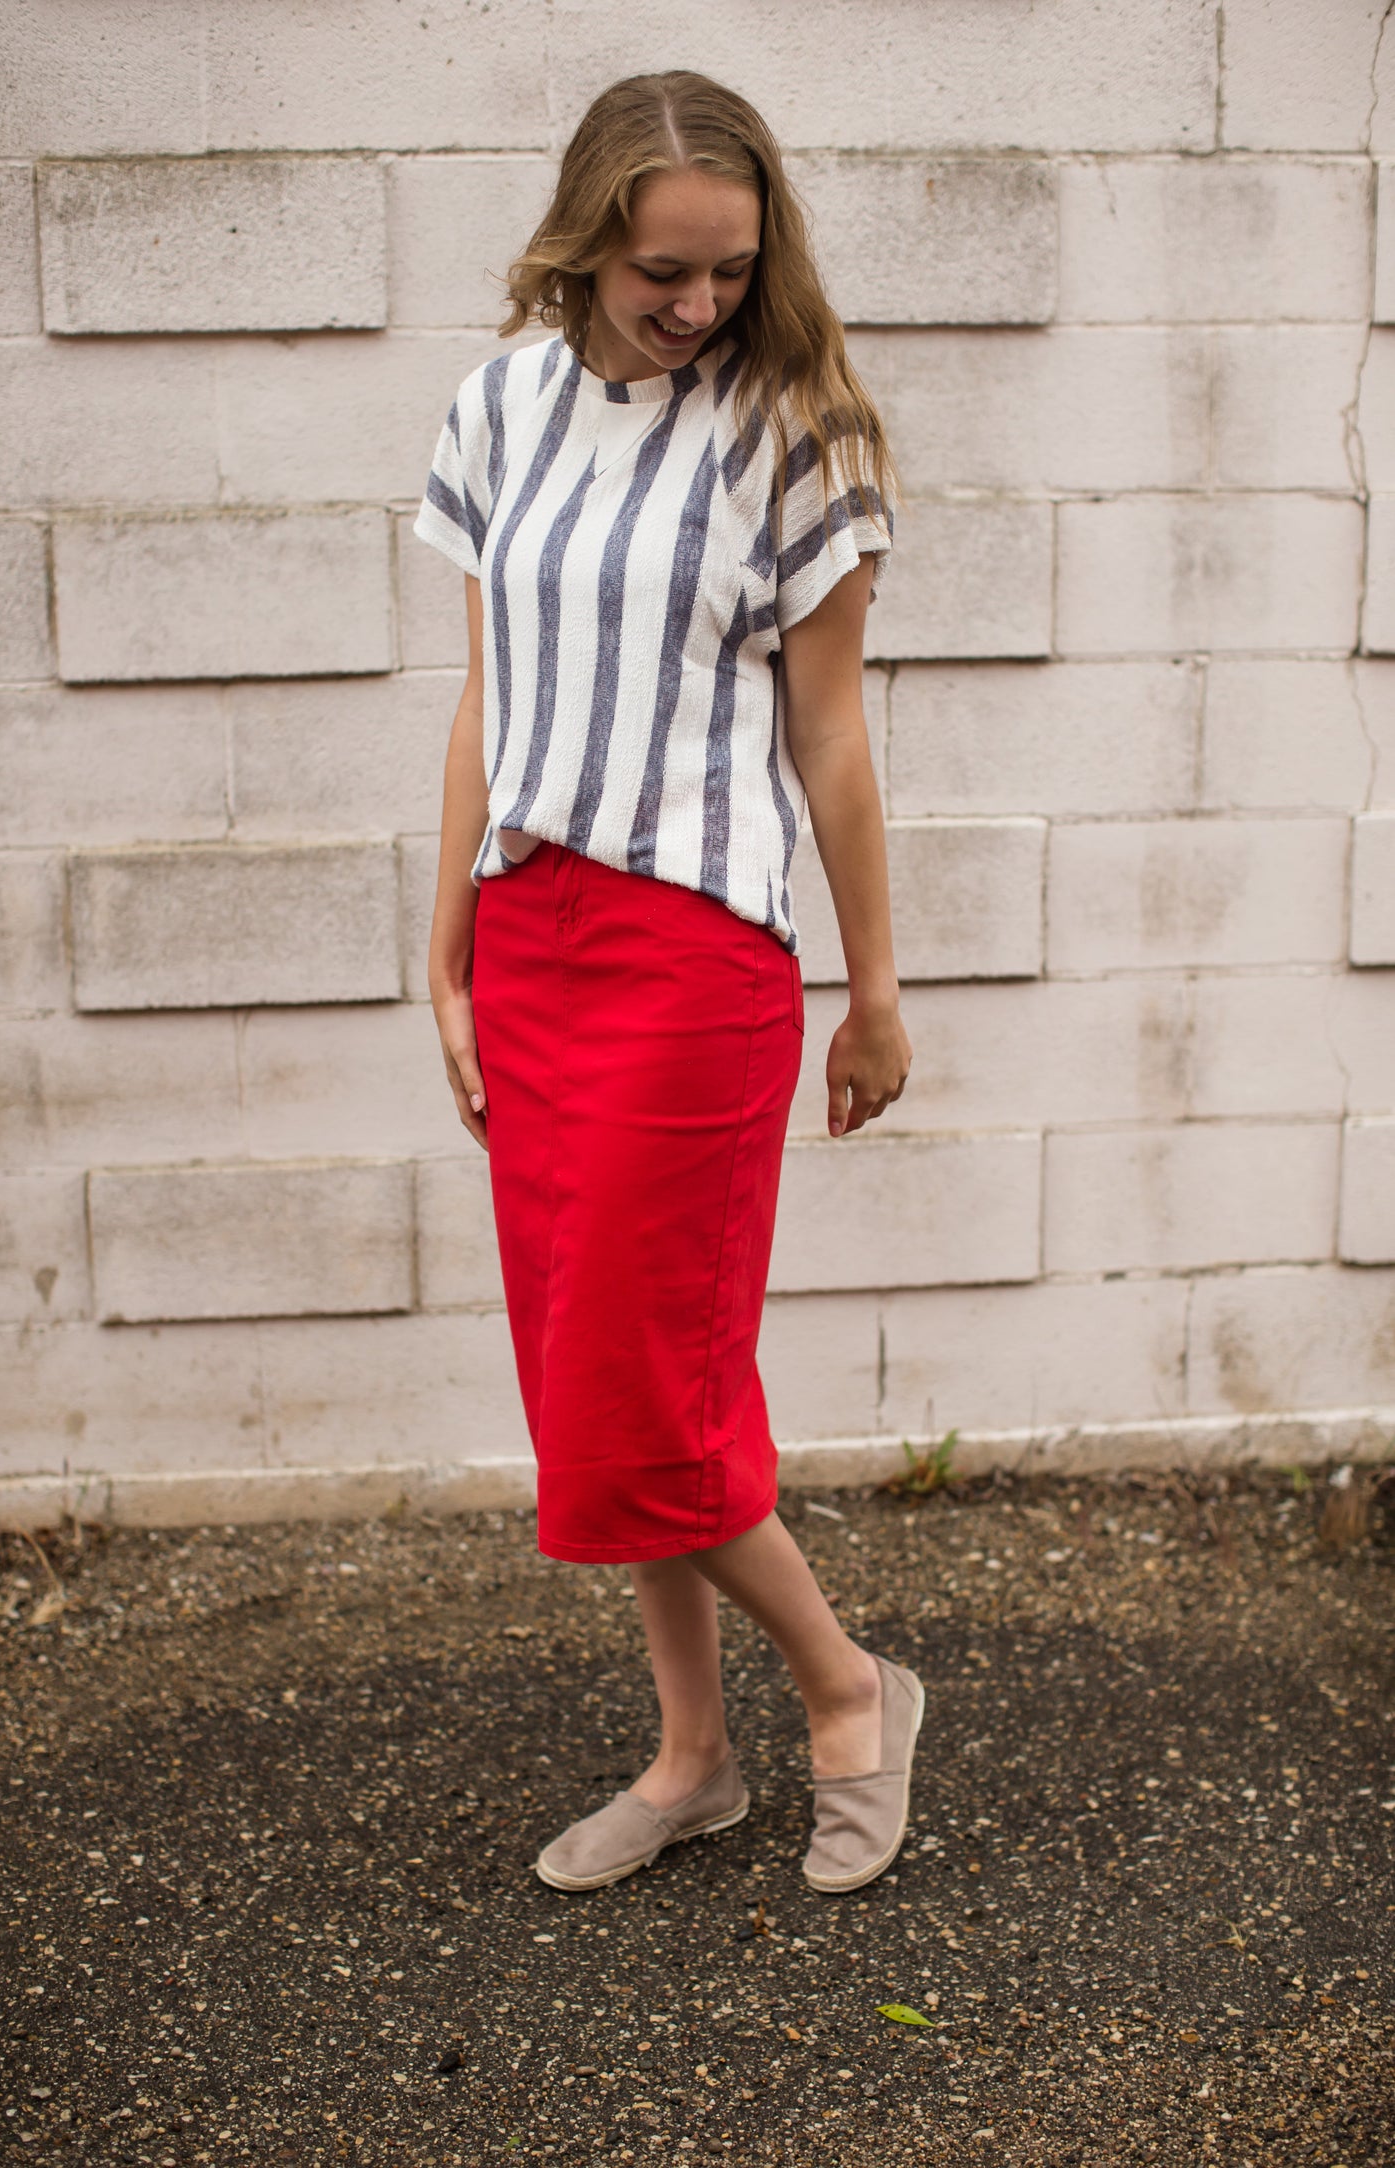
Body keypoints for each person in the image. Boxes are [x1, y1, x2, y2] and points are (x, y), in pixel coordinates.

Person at [415, 69, 921, 1896]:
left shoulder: (796, 429)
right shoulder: (496, 413)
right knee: (588, 1380)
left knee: (654, 1383)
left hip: (693, 953)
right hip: (533, 938)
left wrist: (871, 990)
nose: (695, 308)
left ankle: (847, 1688)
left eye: (724, 270)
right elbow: (490, 696)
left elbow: (832, 740)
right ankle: (693, 1757)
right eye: (656, 276)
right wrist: (450, 939)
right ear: (581, 248)